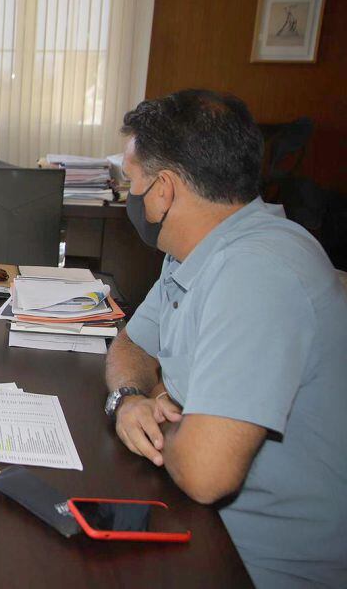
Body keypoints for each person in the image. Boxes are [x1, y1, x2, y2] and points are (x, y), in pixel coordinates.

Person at [103, 90, 347, 588]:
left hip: (258, 563)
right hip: (203, 524)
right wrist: (131, 400)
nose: (132, 198)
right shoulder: (196, 248)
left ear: (165, 190)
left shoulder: (258, 274)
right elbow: (131, 344)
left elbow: (205, 472)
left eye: (133, 183)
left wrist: (165, 411)